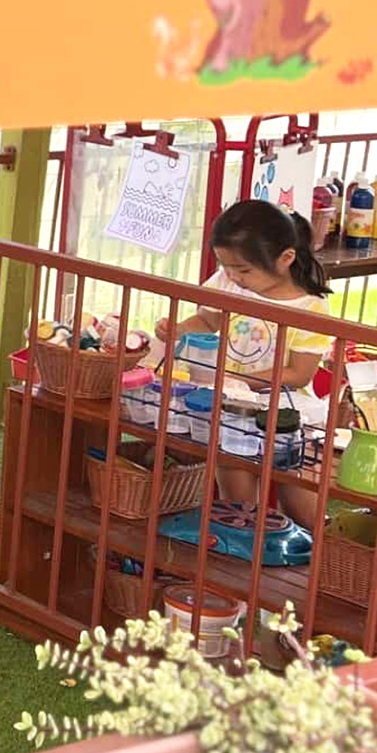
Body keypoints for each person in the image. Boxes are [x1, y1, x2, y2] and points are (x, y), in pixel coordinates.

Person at [156, 199, 334, 526]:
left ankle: (324, 559)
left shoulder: (310, 309)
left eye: (243, 270)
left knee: (299, 501)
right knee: (237, 504)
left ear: (285, 259)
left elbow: (298, 374)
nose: (233, 277)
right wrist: (177, 330)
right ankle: (244, 559)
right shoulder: (228, 281)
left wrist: (239, 380)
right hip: (234, 412)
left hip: (285, 418)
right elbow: (209, 321)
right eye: (226, 266)